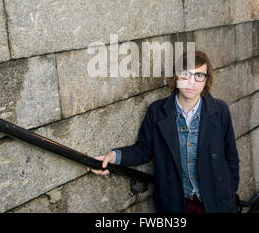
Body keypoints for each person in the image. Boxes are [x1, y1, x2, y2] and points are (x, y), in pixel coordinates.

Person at [88, 50, 240, 213]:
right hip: (177, 203)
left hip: (216, 201)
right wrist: (112, 157)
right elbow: (143, 150)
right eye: (186, 74)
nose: (191, 82)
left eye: (199, 76)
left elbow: (231, 156)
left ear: (206, 80)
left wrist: (229, 192)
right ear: (176, 76)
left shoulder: (219, 111)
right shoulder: (157, 111)